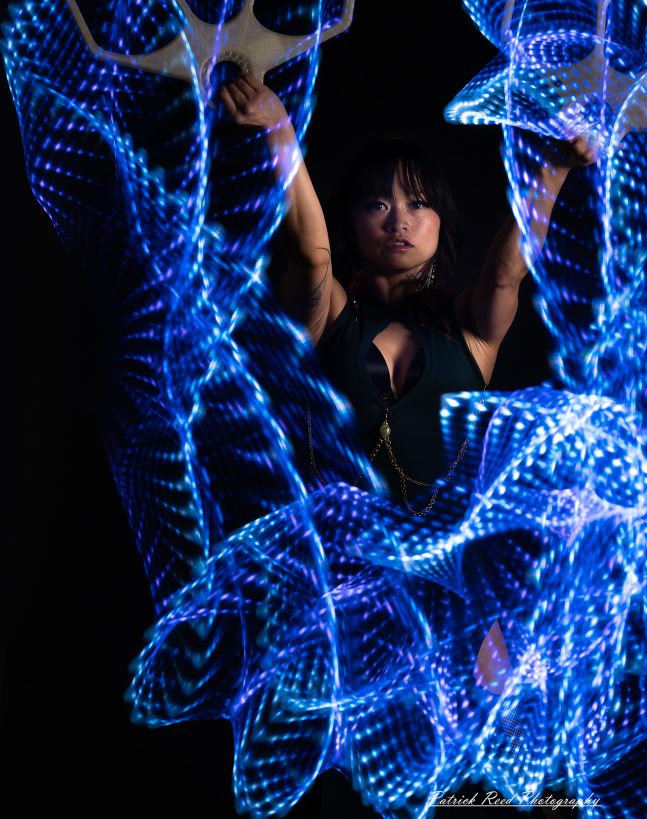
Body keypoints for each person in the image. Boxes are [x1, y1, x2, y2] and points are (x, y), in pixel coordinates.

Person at [219, 71, 594, 817]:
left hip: (454, 583)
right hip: (347, 579)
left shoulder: (471, 331)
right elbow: (313, 252)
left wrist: (552, 173)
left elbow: (506, 267)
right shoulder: (323, 313)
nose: (399, 217)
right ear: (354, 219)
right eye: (378, 201)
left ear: (438, 225)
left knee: (477, 777)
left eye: (417, 202)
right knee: (354, 775)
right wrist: (277, 133)